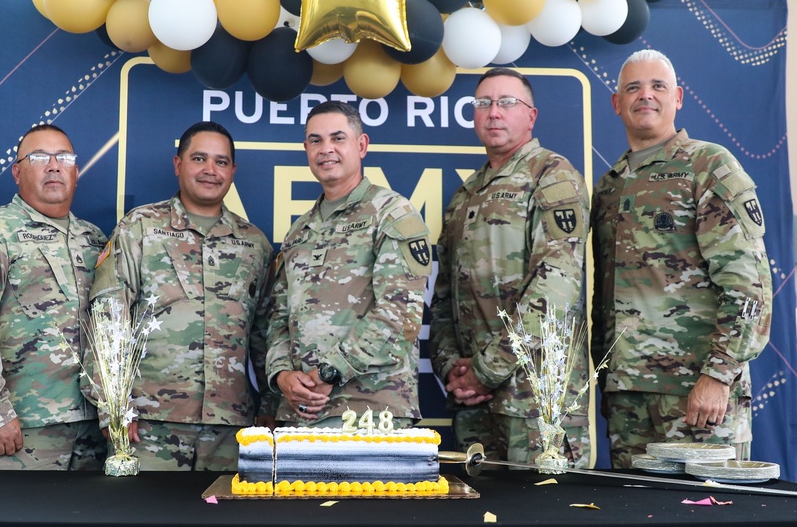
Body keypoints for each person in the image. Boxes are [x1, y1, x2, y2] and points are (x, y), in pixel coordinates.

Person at [591, 49, 773, 468]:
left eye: (658, 86)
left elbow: (748, 285)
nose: (645, 96)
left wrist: (718, 375)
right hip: (628, 398)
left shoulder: (708, 166)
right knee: (636, 522)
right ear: (617, 103)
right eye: (632, 87)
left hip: (698, 393)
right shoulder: (610, 186)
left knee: (710, 521)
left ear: (678, 97)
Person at [428, 67, 591, 467]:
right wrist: (454, 369)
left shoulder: (552, 176)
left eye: (506, 103)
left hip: (535, 402)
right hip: (476, 403)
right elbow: (446, 297)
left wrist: (486, 370)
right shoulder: (465, 195)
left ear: (531, 116)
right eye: (483, 103)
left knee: (544, 520)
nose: (493, 112)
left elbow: (555, 290)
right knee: (479, 522)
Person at [89, 121, 274, 471]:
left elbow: (265, 335)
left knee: (224, 525)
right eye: (199, 158)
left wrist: (270, 408)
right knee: (146, 524)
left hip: (231, 430)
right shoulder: (139, 228)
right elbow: (108, 320)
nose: (210, 170)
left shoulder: (254, 244)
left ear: (233, 171)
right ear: (178, 164)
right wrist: (115, 409)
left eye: (221, 162)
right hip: (147, 427)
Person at [0, 125, 107, 470]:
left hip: (93, 426)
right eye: (40, 157)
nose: (54, 165)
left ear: (76, 170)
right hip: (21, 427)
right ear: (17, 172)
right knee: (16, 524)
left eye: (64, 157)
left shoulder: (93, 238)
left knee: (88, 523)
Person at [264, 101, 431, 429]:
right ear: (306, 149)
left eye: (338, 138)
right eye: (316, 140)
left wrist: (330, 372)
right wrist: (282, 375)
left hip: (369, 412)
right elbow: (278, 318)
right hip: (299, 415)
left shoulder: (392, 213)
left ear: (361, 145)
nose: (326, 149)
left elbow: (400, 316)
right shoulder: (299, 231)